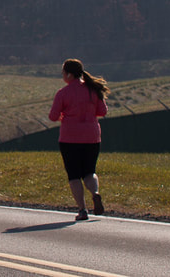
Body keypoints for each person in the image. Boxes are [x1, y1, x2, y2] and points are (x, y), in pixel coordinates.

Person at [48, 58, 110, 221]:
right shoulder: (93, 90)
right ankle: (95, 193)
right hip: (92, 136)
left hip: (70, 137)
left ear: (68, 74)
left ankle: (82, 210)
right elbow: (103, 111)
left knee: (74, 175)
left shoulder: (63, 93)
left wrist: (65, 115)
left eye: (63, 73)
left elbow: (53, 116)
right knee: (89, 171)